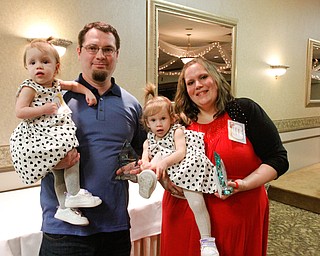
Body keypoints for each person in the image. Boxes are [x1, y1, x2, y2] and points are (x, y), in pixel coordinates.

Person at [160, 57, 289, 256]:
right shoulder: (180, 121)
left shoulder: (243, 111)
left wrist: (245, 184)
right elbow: (160, 154)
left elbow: (278, 159)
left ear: (217, 78)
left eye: (204, 77)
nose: (199, 85)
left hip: (238, 213)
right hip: (184, 215)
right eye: (191, 82)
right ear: (185, 90)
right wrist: (165, 182)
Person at [38, 22, 146, 256]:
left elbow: (140, 155)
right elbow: (29, 152)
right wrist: (51, 162)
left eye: (108, 49)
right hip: (64, 232)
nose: (100, 55)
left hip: (115, 230)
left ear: (117, 54)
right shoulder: (54, 100)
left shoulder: (132, 105)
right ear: (79, 52)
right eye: (92, 48)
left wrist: (134, 169)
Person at [9, 38, 102, 226]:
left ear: (56, 66)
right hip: (39, 135)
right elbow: (20, 111)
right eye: (32, 63)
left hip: (52, 132)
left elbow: (74, 85)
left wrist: (88, 92)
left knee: (59, 172)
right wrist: (43, 109)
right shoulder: (30, 87)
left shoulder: (55, 84)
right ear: (26, 67)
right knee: (71, 153)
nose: (38, 67)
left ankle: (65, 208)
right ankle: (74, 195)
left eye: (45, 61)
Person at [139, 83, 219, 256]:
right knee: (154, 160)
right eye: (153, 121)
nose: (158, 124)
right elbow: (145, 157)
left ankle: (207, 241)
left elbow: (181, 152)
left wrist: (163, 163)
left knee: (196, 202)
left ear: (172, 118)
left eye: (163, 119)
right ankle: (147, 182)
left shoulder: (177, 131)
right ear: (147, 123)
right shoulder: (148, 140)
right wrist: (145, 164)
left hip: (187, 168)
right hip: (169, 174)